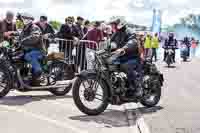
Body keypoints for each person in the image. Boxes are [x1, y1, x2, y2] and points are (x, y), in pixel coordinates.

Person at [110, 18, 143, 98]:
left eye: (113, 24)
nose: (112, 26)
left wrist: (123, 48)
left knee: (126, 66)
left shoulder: (129, 31)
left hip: (132, 57)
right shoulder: (116, 33)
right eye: (112, 25)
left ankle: (137, 87)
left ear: (120, 24)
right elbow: (110, 42)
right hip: (121, 57)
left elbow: (132, 41)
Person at [19, 13, 44, 86]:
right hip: (30, 49)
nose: (24, 20)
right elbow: (21, 37)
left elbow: (34, 37)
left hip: (38, 50)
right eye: (24, 18)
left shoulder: (34, 27)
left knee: (27, 56)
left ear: (30, 20)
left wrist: (23, 41)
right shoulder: (25, 27)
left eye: (26, 19)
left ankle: (38, 71)